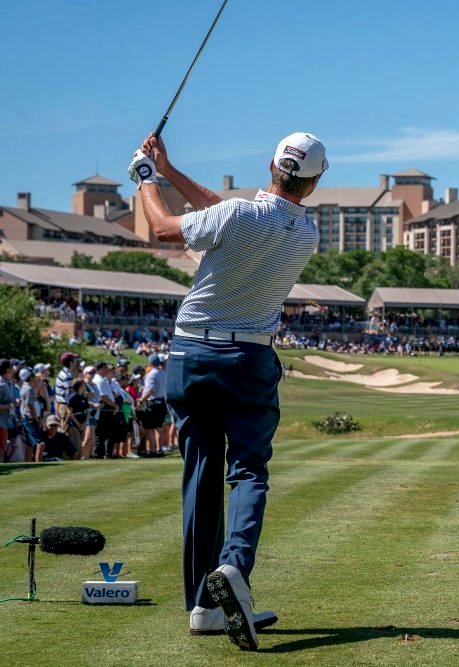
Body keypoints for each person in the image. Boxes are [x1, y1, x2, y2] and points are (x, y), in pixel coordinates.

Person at [129, 130, 323, 650]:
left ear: (270, 165)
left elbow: (166, 228)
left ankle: (202, 607)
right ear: (315, 181)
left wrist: (146, 178)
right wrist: (169, 171)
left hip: (192, 354)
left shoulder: (236, 216)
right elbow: (220, 212)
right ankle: (234, 567)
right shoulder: (306, 233)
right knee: (248, 471)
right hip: (251, 357)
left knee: (200, 476)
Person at [0, 360, 18, 461]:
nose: (13, 369)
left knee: (4, 449)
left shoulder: (9, 383)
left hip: (7, 422)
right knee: (1, 450)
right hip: (1, 422)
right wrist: (10, 405)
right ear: (7, 369)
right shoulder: (1, 384)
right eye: (12, 367)